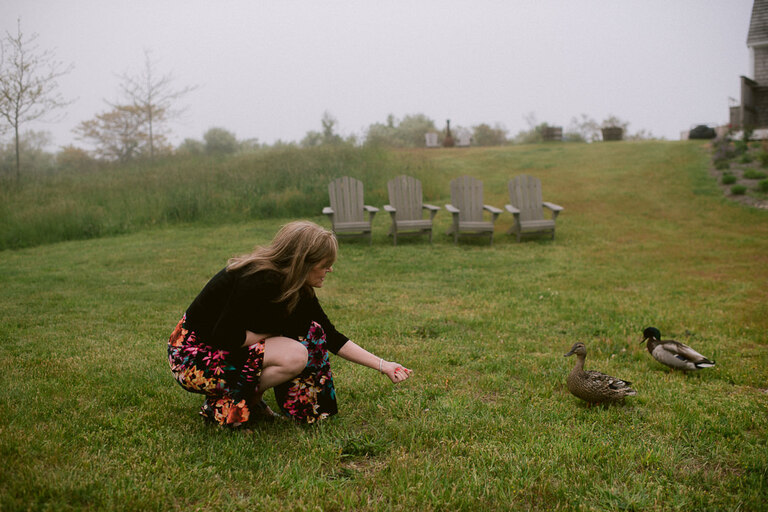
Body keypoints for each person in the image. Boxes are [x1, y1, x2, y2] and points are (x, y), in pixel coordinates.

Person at [167, 220, 412, 426]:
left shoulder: (297, 288)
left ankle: (245, 400)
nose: (330, 269)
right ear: (303, 262)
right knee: (294, 352)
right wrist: (278, 332)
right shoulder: (256, 279)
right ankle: (229, 403)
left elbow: (330, 336)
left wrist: (384, 365)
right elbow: (223, 336)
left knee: (308, 336)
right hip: (192, 358)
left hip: (222, 351)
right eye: (325, 264)